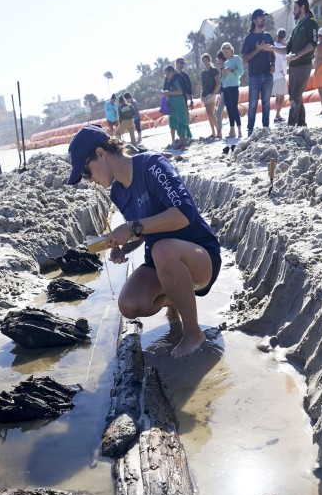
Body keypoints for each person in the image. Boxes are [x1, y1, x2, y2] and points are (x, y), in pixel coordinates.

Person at [67, 125, 221, 358]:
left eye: (87, 172)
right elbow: (143, 232)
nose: (90, 180)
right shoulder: (117, 192)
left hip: (201, 257)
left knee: (162, 249)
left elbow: (183, 214)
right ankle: (176, 299)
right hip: (163, 262)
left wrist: (131, 227)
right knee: (129, 304)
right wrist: (125, 245)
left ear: (100, 154)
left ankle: (193, 333)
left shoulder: (152, 165)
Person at [241, 8, 275, 134]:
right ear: (254, 20)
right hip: (254, 76)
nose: (263, 19)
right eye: (261, 17)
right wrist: (258, 50)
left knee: (266, 104)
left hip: (268, 75)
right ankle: (250, 130)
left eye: (264, 17)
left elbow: (272, 52)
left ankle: (266, 129)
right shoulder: (249, 38)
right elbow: (245, 58)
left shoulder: (268, 36)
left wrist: (273, 64)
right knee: (253, 104)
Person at [286, 0, 318, 127]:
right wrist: (270, 48)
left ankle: (290, 126)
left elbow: (313, 43)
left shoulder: (311, 23)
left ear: (303, 8)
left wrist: (297, 55)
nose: (293, 11)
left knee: (295, 97)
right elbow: (287, 49)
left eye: (295, 8)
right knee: (295, 96)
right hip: (293, 67)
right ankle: (301, 125)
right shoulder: (296, 27)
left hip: (303, 66)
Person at [162, 65, 192, 151]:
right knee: (175, 121)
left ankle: (183, 142)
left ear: (171, 72)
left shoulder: (176, 79)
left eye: (167, 73)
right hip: (173, 104)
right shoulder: (169, 80)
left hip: (179, 103)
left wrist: (169, 93)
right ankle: (181, 141)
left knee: (181, 121)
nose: (166, 76)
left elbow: (180, 91)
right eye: (165, 74)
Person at [220, 42, 243, 139]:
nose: (225, 51)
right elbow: (222, 80)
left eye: (227, 49)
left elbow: (241, 72)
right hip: (226, 88)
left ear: (231, 49)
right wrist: (223, 74)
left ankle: (239, 130)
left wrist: (231, 70)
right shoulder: (225, 63)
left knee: (234, 107)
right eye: (223, 49)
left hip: (234, 86)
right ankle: (232, 130)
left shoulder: (236, 58)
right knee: (229, 109)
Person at [200, 52, 221, 139]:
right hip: (204, 94)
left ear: (209, 60)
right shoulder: (203, 72)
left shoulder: (214, 70)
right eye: (203, 61)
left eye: (206, 60)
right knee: (209, 115)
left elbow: (218, 82)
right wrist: (202, 93)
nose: (205, 62)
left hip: (211, 94)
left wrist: (213, 92)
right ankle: (213, 132)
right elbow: (203, 84)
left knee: (211, 113)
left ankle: (219, 131)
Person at [272, 29, 288, 122]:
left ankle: (277, 114)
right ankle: (278, 115)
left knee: (277, 96)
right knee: (281, 97)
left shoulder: (273, 46)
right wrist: (285, 72)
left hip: (273, 75)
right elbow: (284, 61)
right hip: (280, 74)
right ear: (284, 37)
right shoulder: (282, 48)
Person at [215, 51, 227, 137]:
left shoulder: (226, 67)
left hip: (227, 92)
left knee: (219, 112)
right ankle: (219, 132)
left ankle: (220, 132)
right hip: (223, 92)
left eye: (218, 59)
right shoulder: (222, 68)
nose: (217, 61)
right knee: (219, 112)